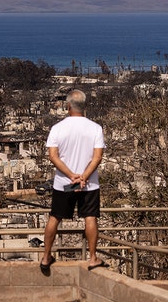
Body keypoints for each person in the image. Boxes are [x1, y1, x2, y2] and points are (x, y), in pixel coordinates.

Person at [40, 89, 108, 275]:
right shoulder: (95, 128)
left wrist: (71, 176)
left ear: (67, 106)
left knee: (55, 217)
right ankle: (93, 257)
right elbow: (97, 157)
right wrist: (84, 176)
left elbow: (53, 156)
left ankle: (46, 256)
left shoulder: (57, 128)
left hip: (63, 183)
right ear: (84, 106)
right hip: (89, 184)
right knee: (90, 218)